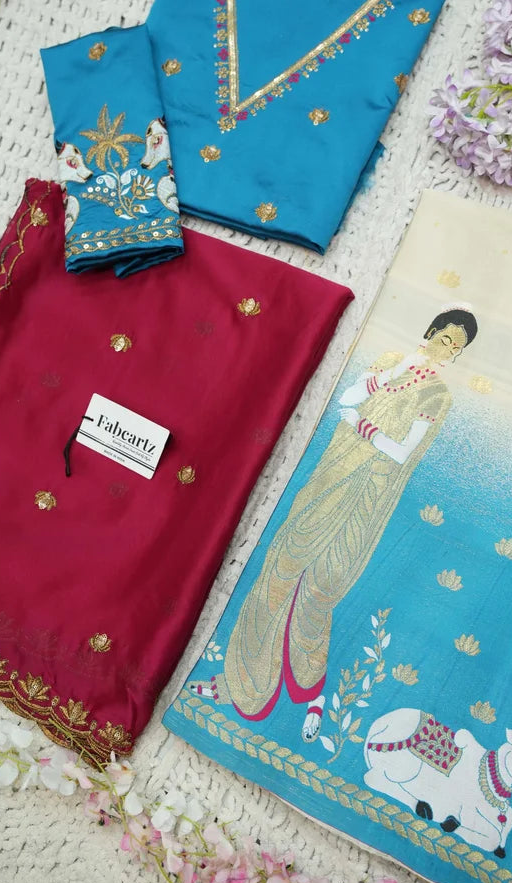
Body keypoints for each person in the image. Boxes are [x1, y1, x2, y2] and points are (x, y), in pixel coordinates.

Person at [190, 308, 478, 741]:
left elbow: (401, 452)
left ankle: (312, 696)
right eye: (445, 337)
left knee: (321, 590)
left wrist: (363, 427)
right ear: (431, 332)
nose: (447, 348)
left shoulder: (438, 397)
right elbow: (347, 398)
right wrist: (394, 374)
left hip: (365, 498)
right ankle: (237, 685)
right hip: (329, 478)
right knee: (277, 570)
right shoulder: (390, 362)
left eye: (456, 347)